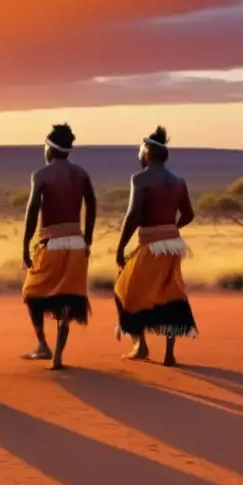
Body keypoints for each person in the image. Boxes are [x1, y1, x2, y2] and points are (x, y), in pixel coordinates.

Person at [114, 126, 198, 366]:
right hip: (172, 246)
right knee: (169, 293)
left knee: (124, 290)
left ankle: (140, 345)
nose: (139, 154)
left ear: (148, 151)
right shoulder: (178, 181)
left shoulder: (140, 178)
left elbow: (132, 215)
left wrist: (121, 248)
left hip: (150, 245)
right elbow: (189, 214)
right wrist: (171, 230)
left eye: (140, 149)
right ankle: (169, 354)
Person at [20, 123, 97, 369]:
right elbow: (92, 204)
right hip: (76, 243)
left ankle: (43, 345)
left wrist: (25, 243)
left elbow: (32, 211)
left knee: (31, 292)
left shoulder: (41, 175)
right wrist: (88, 239)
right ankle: (57, 356)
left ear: (50, 148)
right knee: (67, 300)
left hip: (51, 243)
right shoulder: (82, 174)